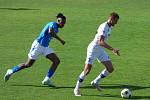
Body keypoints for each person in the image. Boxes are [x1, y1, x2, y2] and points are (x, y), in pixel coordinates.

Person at [4, 13, 66, 87]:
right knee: (28, 64)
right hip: (38, 46)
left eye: (64, 23)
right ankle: (10, 71)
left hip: (45, 47)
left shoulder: (57, 28)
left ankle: (47, 79)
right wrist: (60, 40)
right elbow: (50, 31)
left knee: (56, 61)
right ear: (58, 20)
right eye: (62, 22)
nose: (63, 24)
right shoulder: (52, 24)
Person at [74, 12, 120, 96]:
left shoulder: (109, 27)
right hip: (93, 49)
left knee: (110, 68)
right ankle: (76, 89)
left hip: (100, 50)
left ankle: (95, 82)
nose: (116, 23)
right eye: (115, 21)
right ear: (111, 19)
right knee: (87, 70)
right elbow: (100, 42)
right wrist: (112, 49)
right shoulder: (104, 27)